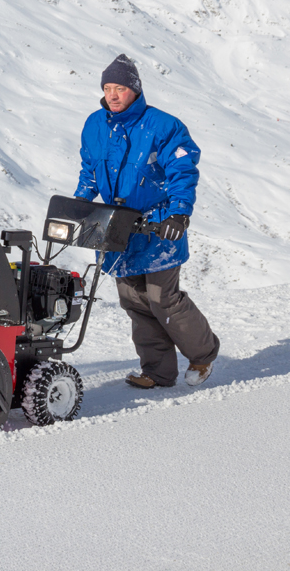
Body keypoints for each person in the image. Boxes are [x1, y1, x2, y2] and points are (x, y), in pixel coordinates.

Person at [75, 54, 219, 388]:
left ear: (135, 90)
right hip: (117, 230)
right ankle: (157, 372)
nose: (113, 94)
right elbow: (89, 169)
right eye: (108, 88)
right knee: (136, 303)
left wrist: (179, 212)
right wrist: (81, 200)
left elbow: (182, 171)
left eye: (120, 88)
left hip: (157, 228)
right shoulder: (95, 125)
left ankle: (203, 355)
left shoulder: (164, 126)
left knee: (162, 299)